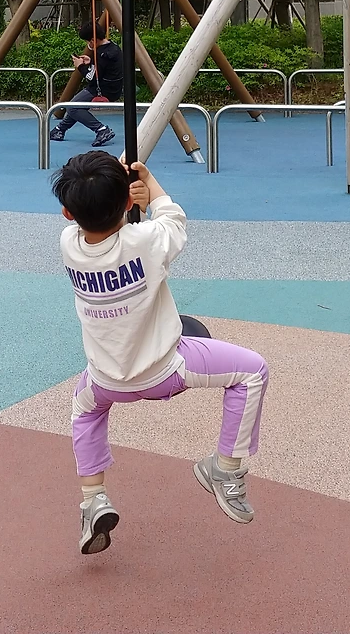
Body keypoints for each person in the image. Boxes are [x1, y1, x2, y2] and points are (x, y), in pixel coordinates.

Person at [54, 151, 269, 555]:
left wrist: (120, 199)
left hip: (105, 381)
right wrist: (149, 185)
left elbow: (100, 223)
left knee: (84, 412)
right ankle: (226, 468)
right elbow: (173, 218)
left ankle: (93, 499)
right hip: (167, 371)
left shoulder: (69, 245)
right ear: (126, 202)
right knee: (252, 371)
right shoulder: (147, 240)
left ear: (68, 214)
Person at [49, 19, 121, 148]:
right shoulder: (113, 47)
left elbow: (92, 77)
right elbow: (104, 69)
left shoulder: (101, 55)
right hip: (113, 87)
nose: (88, 44)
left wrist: (80, 66)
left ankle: (101, 129)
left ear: (93, 40)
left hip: (102, 90)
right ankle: (59, 130)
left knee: (73, 107)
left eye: (88, 42)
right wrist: (90, 61)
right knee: (74, 105)